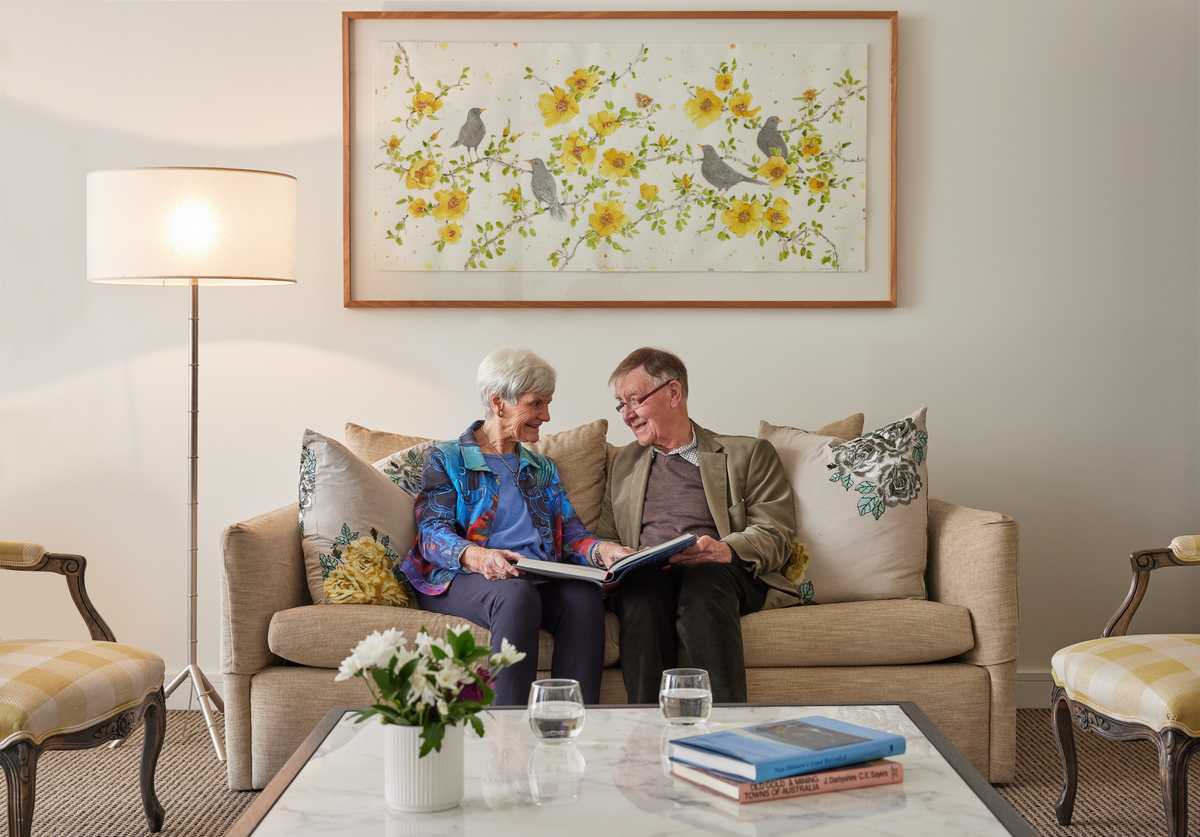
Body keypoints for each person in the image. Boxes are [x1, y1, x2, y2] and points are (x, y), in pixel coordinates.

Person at [402, 348, 632, 705]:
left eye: (547, 404)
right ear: (499, 402)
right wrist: (479, 557)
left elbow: (571, 534)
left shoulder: (542, 468)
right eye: (536, 403)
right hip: (463, 576)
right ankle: (506, 731)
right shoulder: (447, 457)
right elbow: (432, 532)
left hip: (536, 574)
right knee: (517, 595)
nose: (546, 415)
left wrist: (605, 551)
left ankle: (569, 721)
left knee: (584, 597)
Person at [596, 347, 799, 703]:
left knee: (704, 581)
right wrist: (612, 553)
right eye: (621, 404)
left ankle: (725, 722)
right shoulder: (624, 464)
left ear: (673, 393)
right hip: (651, 575)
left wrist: (724, 550)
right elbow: (607, 535)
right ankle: (645, 726)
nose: (626, 415)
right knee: (641, 589)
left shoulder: (748, 454)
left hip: (721, 574)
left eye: (634, 400)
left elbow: (776, 533)